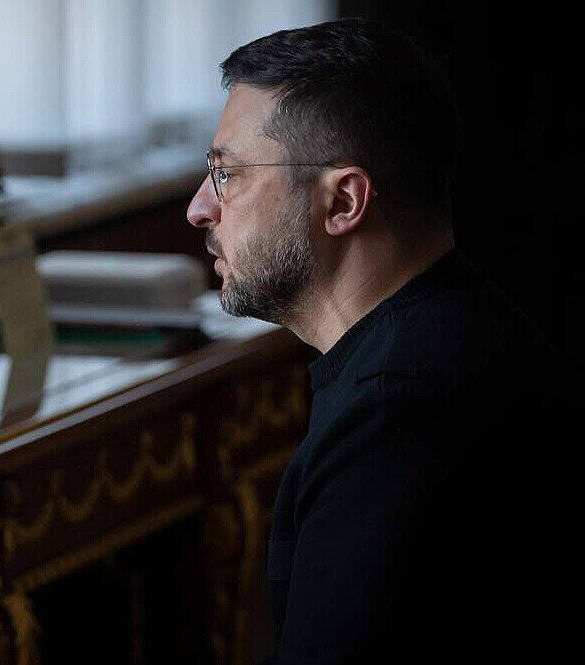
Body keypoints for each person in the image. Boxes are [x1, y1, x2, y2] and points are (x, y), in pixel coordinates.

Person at [186, 18, 567, 663]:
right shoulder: (463, 329)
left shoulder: (399, 411)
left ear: (343, 202)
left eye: (228, 176)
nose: (199, 208)